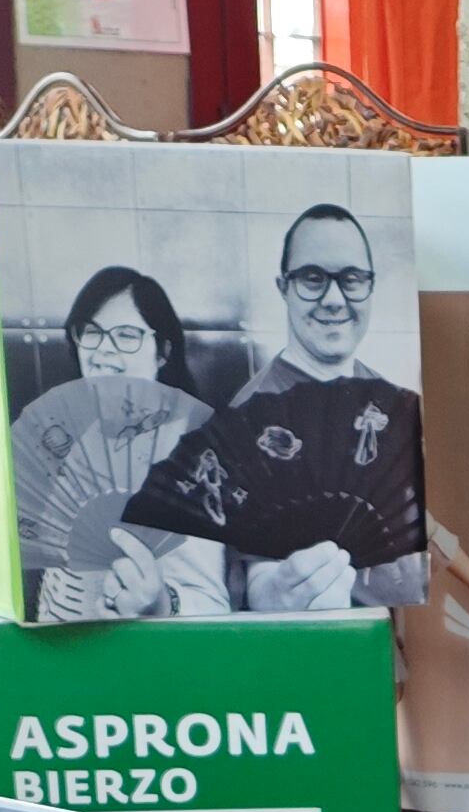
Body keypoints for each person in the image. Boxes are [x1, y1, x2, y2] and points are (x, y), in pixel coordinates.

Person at [108, 202, 428, 615]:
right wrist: (280, 591)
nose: (334, 299)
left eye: (351, 279)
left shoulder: (393, 401)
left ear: (370, 284)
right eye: (313, 278)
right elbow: (252, 591)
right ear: (284, 287)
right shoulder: (249, 421)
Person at [16, 265, 207, 620]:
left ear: (163, 352)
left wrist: (161, 603)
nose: (104, 351)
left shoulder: (188, 457)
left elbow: (212, 602)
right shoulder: (73, 436)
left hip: (137, 662)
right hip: (60, 655)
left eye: (127, 335)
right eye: (92, 332)